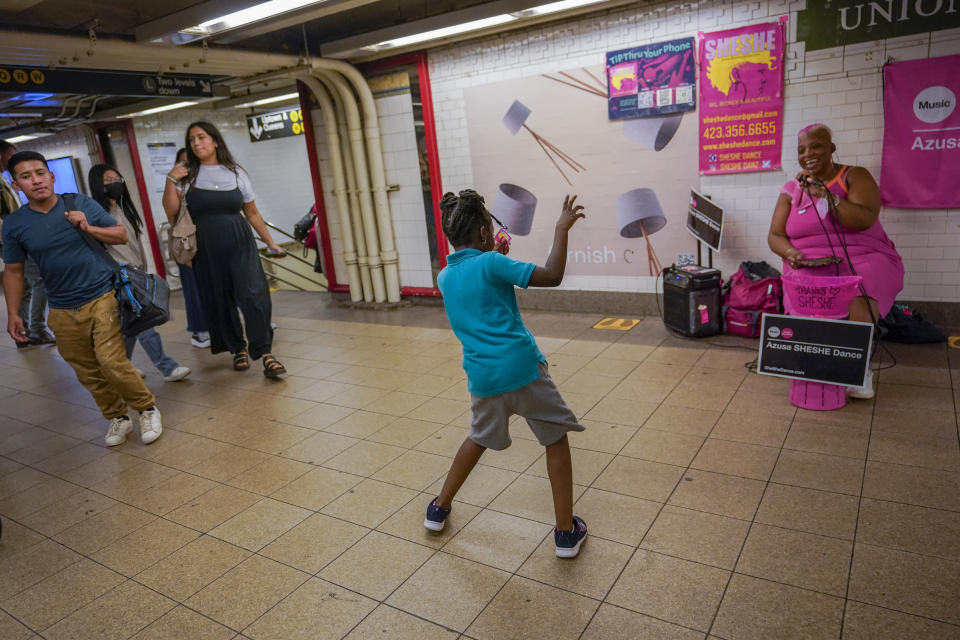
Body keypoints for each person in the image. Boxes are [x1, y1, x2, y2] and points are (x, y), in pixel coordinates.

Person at [425, 189, 589, 558]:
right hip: (522, 371)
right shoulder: (493, 265)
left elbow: (479, 286)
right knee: (555, 439)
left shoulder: (445, 277)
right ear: (485, 234)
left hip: (483, 379)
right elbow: (552, 276)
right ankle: (566, 533)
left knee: (477, 438)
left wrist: (493, 257)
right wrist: (561, 228)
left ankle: (438, 509)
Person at [2, 151, 162, 446]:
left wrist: (88, 227)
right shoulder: (15, 224)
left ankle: (146, 408)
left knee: (111, 360)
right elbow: (13, 271)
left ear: (51, 176)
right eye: (26, 176)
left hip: (102, 294)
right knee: (85, 368)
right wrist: (14, 313)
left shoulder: (79, 203)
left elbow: (120, 234)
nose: (35, 181)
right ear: (15, 184)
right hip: (61, 306)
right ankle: (118, 416)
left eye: (40, 173)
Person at [768, 123, 904, 399]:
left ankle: (858, 368)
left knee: (860, 288)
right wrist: (791, 254)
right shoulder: (791, 189)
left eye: (816, 146)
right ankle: (818, 364)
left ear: (831, 148)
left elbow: (865, 218)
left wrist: (825, 194)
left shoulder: (854, 175)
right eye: (802, 150)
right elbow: (775, 234)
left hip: (863, 256)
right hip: (809, 263)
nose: (808, 154)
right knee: (801, 288)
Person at [161, 121, 286, 377]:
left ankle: (266, 353)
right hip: (206, 247)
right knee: (220, 299)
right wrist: (171, 179)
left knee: (254, 295)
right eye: (192, 139)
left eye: (202, 137)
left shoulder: (236, 172)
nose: (196, 143)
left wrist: (270, 242)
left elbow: (251, 212)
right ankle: (237, 348)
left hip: (240, 243)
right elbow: (171, 211)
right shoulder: (187, 174)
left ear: (215, 141)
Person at [88, 164, 191, 382]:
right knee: (144, 321)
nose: (115, 183)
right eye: (108, 180)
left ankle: (120, 369)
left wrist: (143, 268)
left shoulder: (124, 209)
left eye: (118, 178)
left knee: (131, 327)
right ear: (98, 184)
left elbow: (134, 243)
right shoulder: (97, 214)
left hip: (135, 272)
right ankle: (167, 367)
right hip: (119, 276)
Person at [0, 140, 54, 349]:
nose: (13, 159)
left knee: (28, 284)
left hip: (15, 236)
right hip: (12, 238)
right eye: (10, 155)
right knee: (38, 280)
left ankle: (24, 331)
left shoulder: (4, 179)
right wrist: (15, 234)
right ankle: (37, 329)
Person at [172, 147, 210, 349]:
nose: (187, 168)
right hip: (189, 244)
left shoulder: (204, 184)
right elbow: (173, 214)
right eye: (183, 164)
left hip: (209, 242)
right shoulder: (176, 187)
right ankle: (199, 331)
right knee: (194, 289)